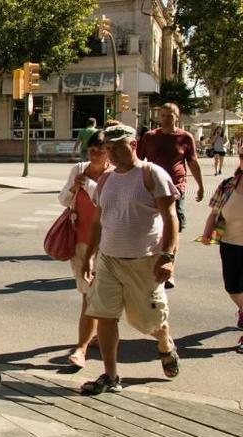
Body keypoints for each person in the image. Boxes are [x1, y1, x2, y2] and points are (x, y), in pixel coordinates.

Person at [80, 124, 181, 395]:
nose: (111, 154)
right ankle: (111, 375)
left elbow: (171, 217)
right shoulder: (106, 180)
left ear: (133, 145)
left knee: (148, 322)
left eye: (117, 148)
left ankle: (164, 343)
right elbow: (99, 221)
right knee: (104, 316)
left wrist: (168, 257)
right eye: (108, 149)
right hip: (109, 260)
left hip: (143, 261)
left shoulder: (151, 174)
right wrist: (89, 255)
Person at [58, 130, 113, 368]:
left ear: (108, 152)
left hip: (107, 243)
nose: (95, 155)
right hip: (80, 240)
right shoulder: (78, 170)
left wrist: (89, 185)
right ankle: (90, 340)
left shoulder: (114, 174)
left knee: (95, 296)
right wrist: (73, 189)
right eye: (92, 150)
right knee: (88, 294)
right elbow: (62, 199)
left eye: (100, 150)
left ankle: (82, 347)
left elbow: (107, 202)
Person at [137, 102, 204, 232]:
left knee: (175, 219)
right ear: (159, 117)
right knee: (155, 221)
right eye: (163, 116)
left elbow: (193, 162)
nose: (166, 119)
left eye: (170, 116)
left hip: (176, 185)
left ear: (177, 117)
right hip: (153, 185)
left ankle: (172, 249)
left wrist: (200, 186)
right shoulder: (150, 136)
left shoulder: (185, 137)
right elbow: (138, 160)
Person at [201, 148, 243, 353]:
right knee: (232, 287)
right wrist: (207, 232)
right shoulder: (228, 185)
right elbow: (214, 212)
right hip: (230, 244)